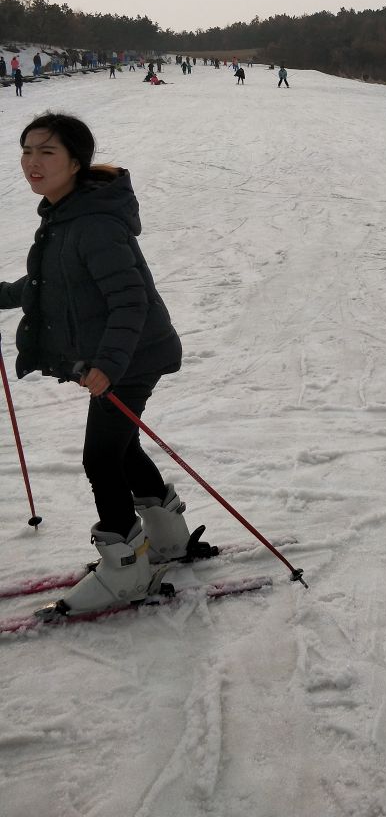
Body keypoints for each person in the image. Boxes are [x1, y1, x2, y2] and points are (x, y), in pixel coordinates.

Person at [0, 114, 209, 617]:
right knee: (120, 446)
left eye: (47, 152)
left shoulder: (91, 222)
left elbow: (129, 300)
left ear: (75, 161)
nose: (32, 162)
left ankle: (126, 572)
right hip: (123, 355)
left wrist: (110, 364)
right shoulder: (64, 215)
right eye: (27, 150)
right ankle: (168, 539)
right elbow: (54, 284)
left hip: (133, 355)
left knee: (101, 457)